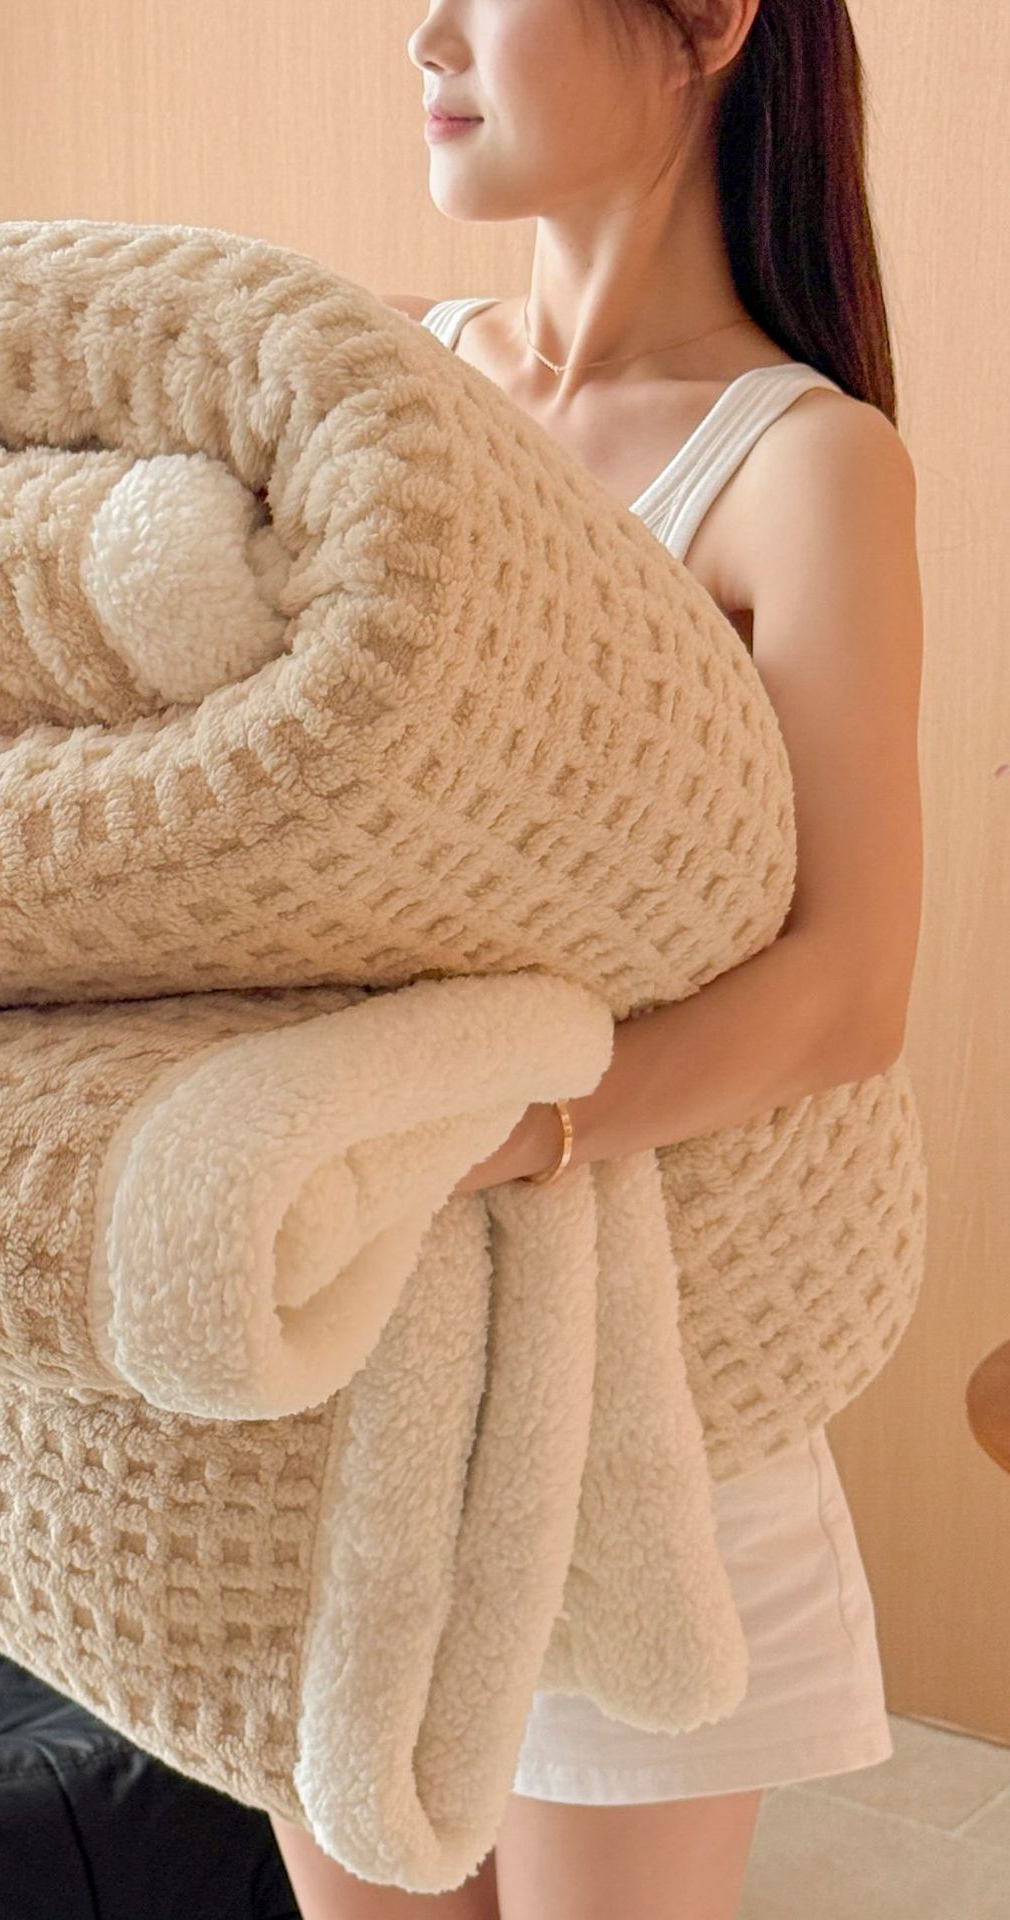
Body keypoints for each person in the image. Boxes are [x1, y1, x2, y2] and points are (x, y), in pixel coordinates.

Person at [267, 2, 925, 1917]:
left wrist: (509, 1134)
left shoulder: (800, 465)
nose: (427, 35)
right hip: (349, 1379)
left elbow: (848, 981)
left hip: (636, 1390)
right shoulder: (379, 380)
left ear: (708, 18)